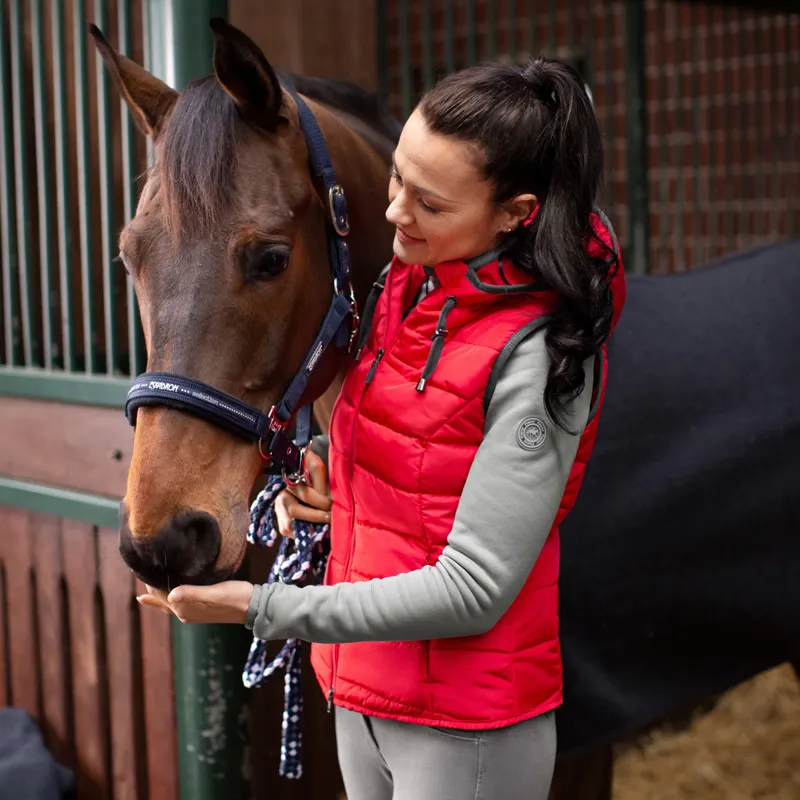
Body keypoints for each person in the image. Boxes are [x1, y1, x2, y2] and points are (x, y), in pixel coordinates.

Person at [138, 57, 626, 800]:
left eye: (428, 202)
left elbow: (474, 588)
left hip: (463, 728)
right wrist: (340, 484)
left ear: (514, 213)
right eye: (397, 178)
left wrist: (259, 608)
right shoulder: (403, 292)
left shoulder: (543, 353)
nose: (395, 212)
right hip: (365, 695)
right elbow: (424, 462)